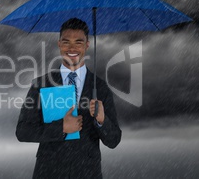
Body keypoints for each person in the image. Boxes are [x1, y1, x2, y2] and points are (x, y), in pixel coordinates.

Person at [16, 18, 122, 178]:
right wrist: (61, 128)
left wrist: (102, 120)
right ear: (59, 44)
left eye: (78, 42)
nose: (72, 48)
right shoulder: (41, 84)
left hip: (87, 173)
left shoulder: (100, 87)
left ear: (87, 44)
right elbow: (23, 131)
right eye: (66, 42)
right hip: (49, 172)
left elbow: (114, 140)